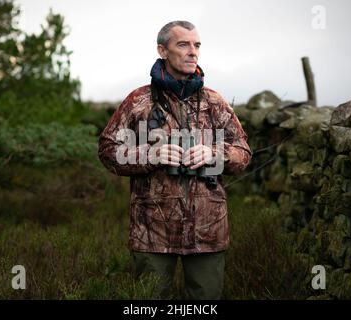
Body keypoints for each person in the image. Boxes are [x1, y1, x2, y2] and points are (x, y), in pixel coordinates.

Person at [98, 20, 252, 299]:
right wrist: (150, 154)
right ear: (162, 50)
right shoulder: (138, 101)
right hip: (152, 231)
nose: (193, 52)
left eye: (197, 45)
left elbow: (243, 153)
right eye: (183, 44)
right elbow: (108, 150)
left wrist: (215, 153)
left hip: (207, 230)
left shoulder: (215, 103)